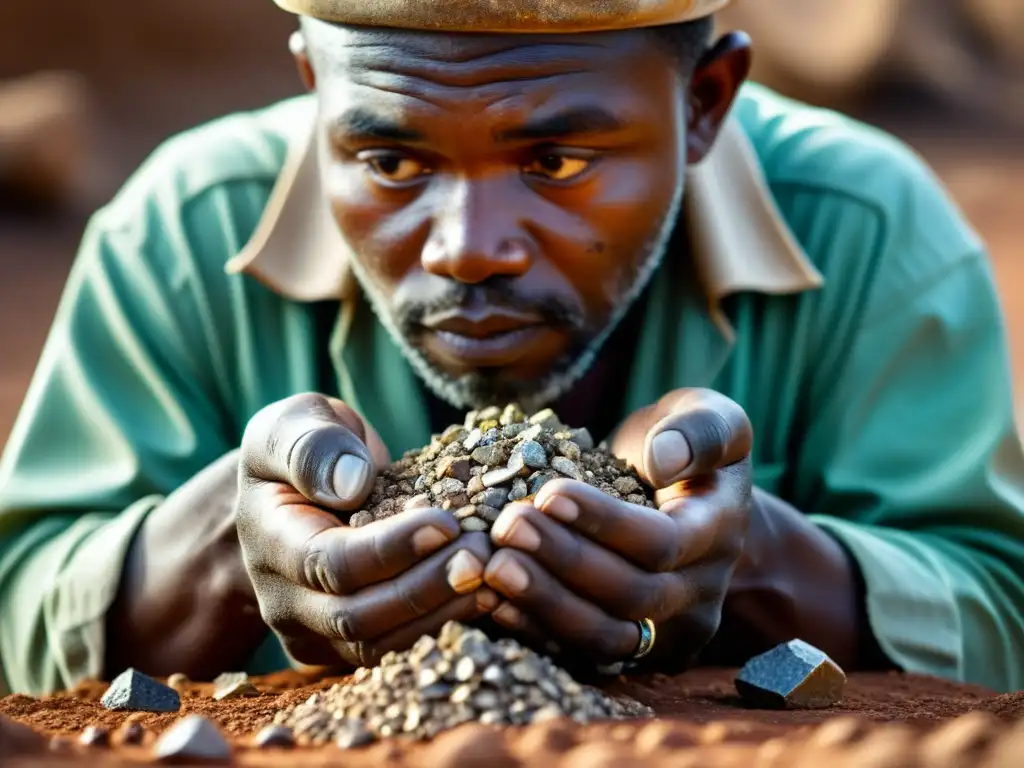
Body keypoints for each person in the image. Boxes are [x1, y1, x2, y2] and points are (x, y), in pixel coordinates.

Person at [1, 0, 1022, 697]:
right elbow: (20, 595)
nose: (468, 249)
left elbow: (1000, 608)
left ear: (704, 103)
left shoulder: (868, 230)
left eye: (557, 158)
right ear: (315, 86)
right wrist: (224, 555)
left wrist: (757, 560)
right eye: (392, 158)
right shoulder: (181, 231)